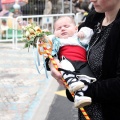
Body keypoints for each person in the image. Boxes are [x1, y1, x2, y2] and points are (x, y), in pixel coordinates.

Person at [47, 0, 120, 119]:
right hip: (86, 112)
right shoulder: (94, 18)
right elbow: (66, 42)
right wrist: (52, 62)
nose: (92, 0)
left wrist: (83, 89)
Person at [46, 16, 96, 108]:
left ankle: (79, 97)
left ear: (76, 28)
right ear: (54, 32)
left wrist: (82, 33)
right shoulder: (58, 41)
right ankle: (72, 82)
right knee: (64, 66)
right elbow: (46, 44)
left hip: (82, 62)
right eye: (59, 28)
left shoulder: (79, 38)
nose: (63, 29)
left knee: (86, 78)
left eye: (66, 26)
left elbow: (89, 31)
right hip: (67, 60)